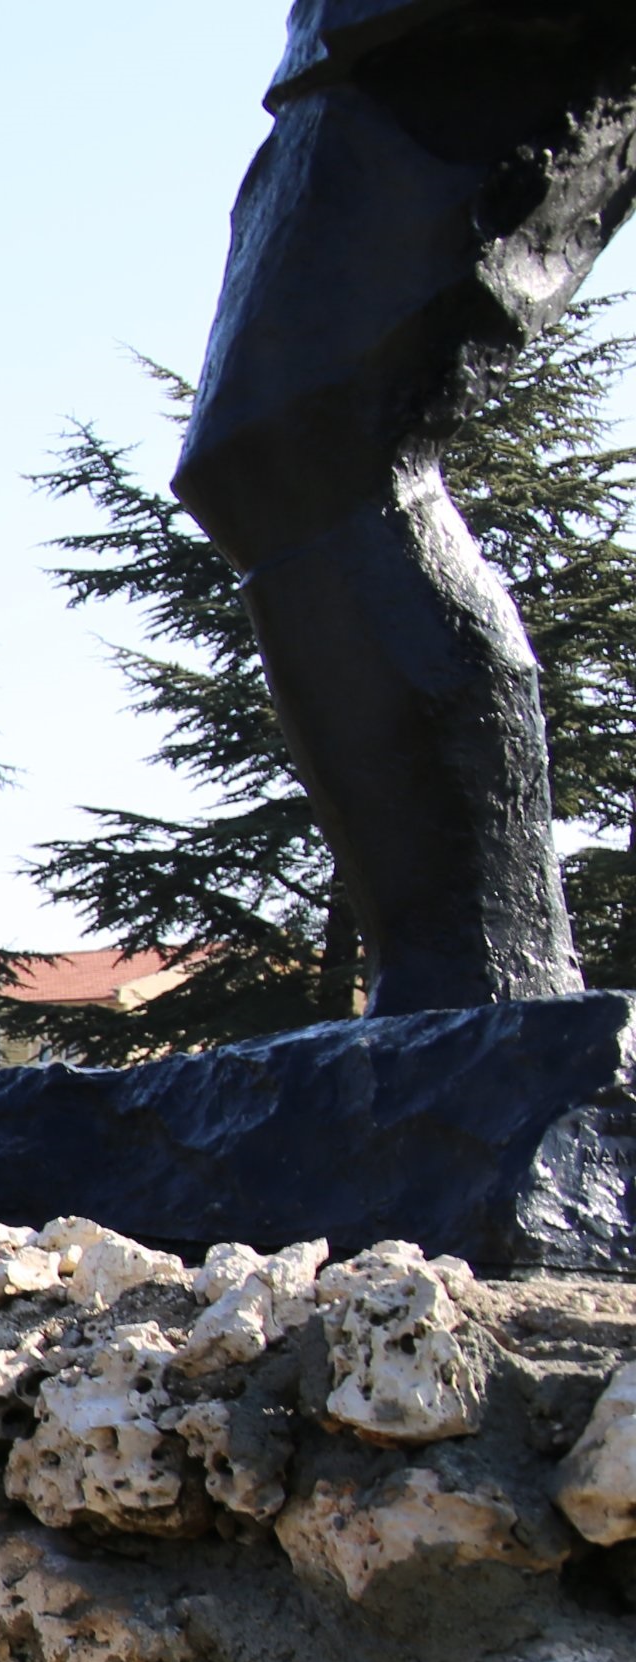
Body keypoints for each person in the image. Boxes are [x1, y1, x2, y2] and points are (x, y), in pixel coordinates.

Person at [171, 0, 636, 1011]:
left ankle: (480, 968)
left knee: (302, 447)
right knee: (269, 458)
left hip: (449, 41)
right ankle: (455, 972)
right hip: (361, 54)